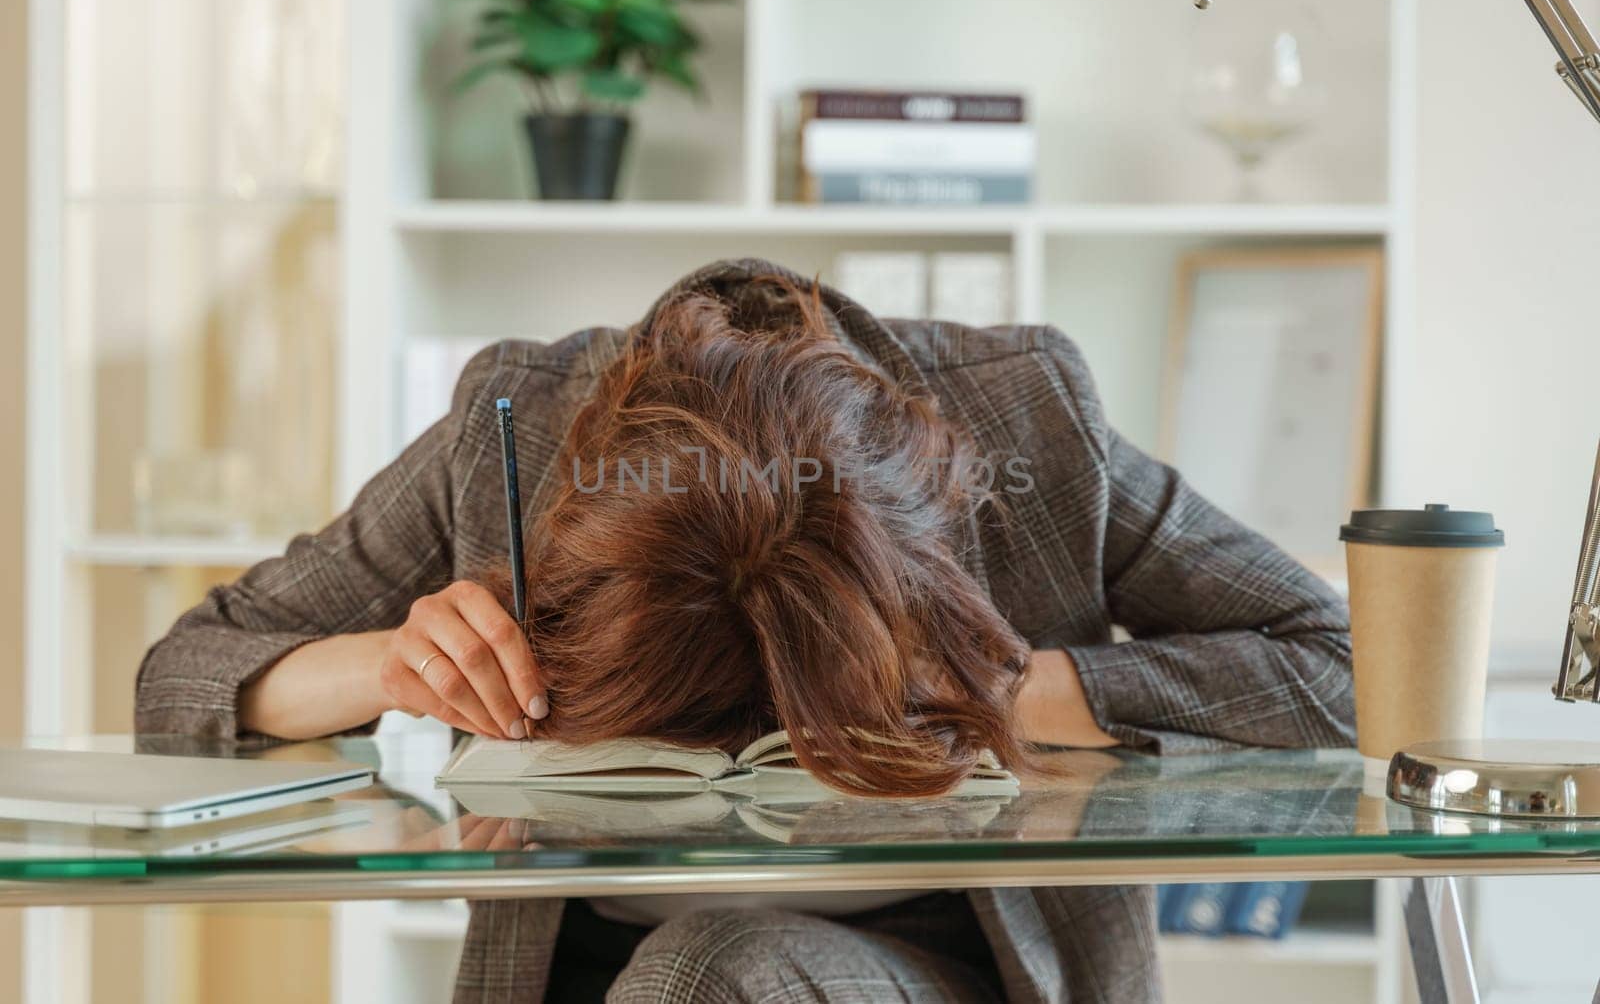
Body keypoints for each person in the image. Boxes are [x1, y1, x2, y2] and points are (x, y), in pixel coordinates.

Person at [136, 258, 1355, 1003]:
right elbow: (180, 675)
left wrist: (1020, 689)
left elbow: (1339, 664)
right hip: (584, 971)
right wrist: (378, 664)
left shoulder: (1023, 421)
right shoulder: (505, 434)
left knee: (708, 973)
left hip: (960, 961)